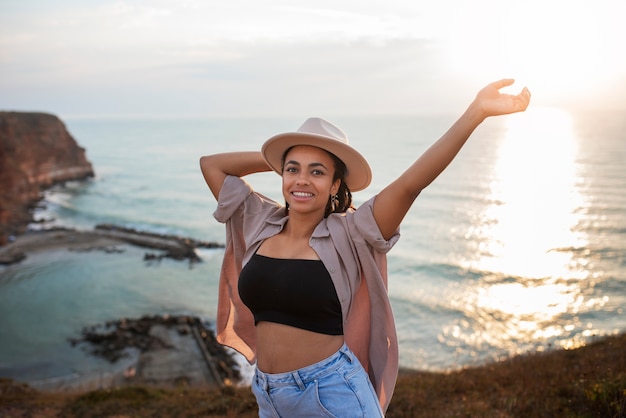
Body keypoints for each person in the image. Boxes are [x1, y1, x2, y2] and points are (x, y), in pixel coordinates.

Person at [200, 79, 531, 416]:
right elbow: (212, 164)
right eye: (292, 169)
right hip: (269, 395)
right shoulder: (260, 221)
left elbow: (411, 184)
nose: (301, 180)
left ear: (335, 184)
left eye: (317, 171)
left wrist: (475, 113)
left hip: (331, 392)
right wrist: (283, 154)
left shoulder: (353, 231)